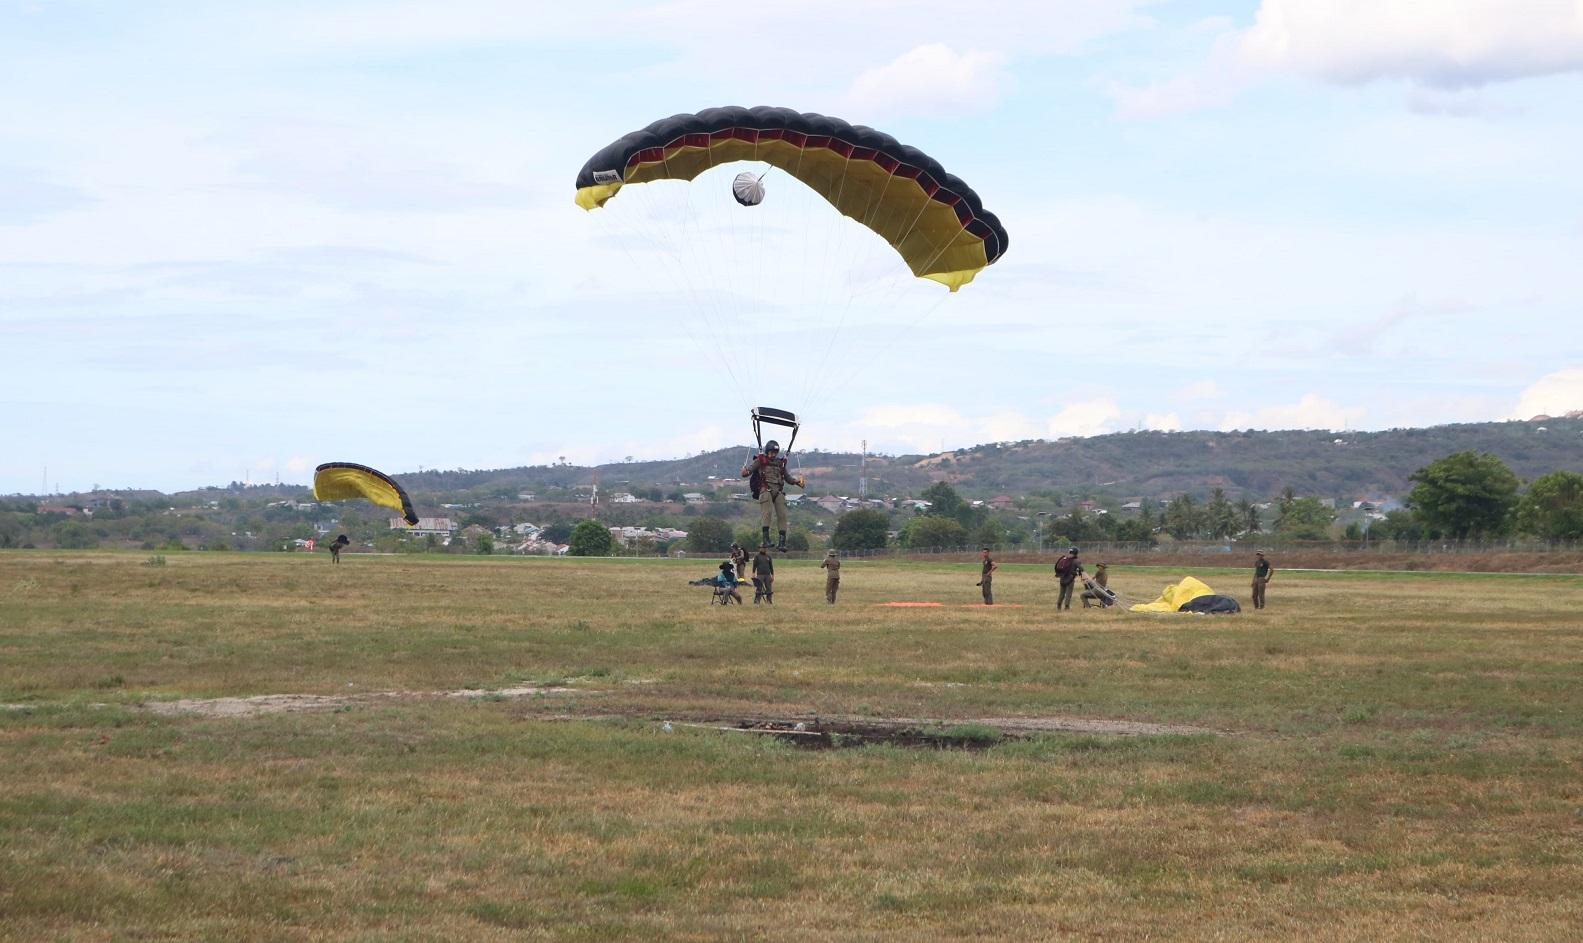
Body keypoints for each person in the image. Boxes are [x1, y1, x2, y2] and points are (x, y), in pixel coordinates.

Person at [741, 440, 806, 551]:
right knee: (767, 513)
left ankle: (782, 542)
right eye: (771, 452)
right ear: (767, 451)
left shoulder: (780, 464)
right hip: (765, 490)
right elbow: (748, 471)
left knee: (782, 515)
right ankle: (766, 540)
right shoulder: (760, 461)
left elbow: (787, 477)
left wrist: (797, 482)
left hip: (778, 491)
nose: (773, 454)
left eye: (775, 452)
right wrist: (745, 471)